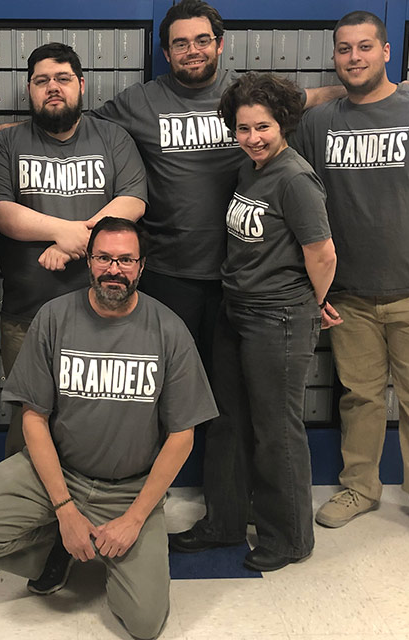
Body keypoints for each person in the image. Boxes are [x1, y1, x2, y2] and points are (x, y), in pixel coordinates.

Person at [0, 0, 344, 370]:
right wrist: (14, 129)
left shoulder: (243, 95)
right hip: (170, 272)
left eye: (202, 40)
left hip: (240, 271)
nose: (192, 51)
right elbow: (78, 120)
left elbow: (305, 99)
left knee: (231, 387)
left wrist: (361, 92)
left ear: (220, 44)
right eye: (181, 43)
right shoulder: (141, 101)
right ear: (167, 53)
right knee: (170, 376)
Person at [0, 217, 218, 640]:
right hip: (56, 473)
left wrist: (135, 518)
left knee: (145, 625)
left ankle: (105, 550)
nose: (114, 269)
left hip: (128, 488)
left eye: (126, 260)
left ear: (142, 266)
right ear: (89, 262)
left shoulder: (169, 330)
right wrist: (65, 510)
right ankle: (57, 544)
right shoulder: (54, 317)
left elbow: (183, 435)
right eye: (104, 258)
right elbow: (33, 417)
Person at [291, 11, 409, 554]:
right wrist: (317, 290)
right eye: (344, 49)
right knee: (359, 397)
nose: (354, 58)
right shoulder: (319, 122)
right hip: (349, 292)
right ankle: (360, 488)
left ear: (386, 51)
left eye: (365, 47)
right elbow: (295, 183)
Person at [0, 41, 148, 595]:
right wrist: (66, 232)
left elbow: (133, 202)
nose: (51, 87)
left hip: (103, 314)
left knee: (91, 427)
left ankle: (98, 532)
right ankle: (37, 546)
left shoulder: (113, 137)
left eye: (62, 77)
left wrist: (77, 241)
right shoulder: (7, 144)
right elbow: (2, 213)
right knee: (28, 427)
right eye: (40, 80)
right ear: (28, 91)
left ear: (82, 85)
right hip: (28, 315)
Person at [170, 72, 340, 571]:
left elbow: (323, 253)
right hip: (236, 309)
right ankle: (223, 522)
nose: (253, 138)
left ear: (282, 123)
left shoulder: (294, 177)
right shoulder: (251, 170)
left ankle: (290, 538)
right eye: (243, 129)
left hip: (279, 318)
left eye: (262, 127)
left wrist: (311, 302)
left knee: (275, 431)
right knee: (227, 423)